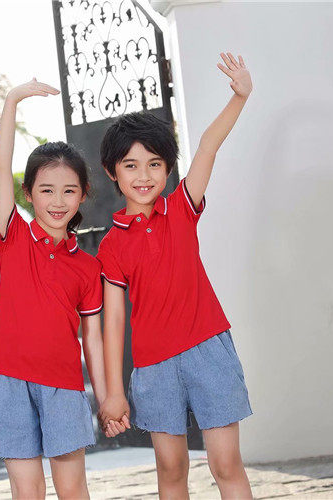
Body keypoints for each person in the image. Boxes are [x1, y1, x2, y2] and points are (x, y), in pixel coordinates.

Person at [96, 52, 255, 498]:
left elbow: (207, 146)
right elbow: (113, 322)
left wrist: (240, 97)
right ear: (112, 172)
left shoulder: (181, 208)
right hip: (153, 367)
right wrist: (113, 392)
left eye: (154, 164)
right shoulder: (111, 247)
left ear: (168, 168)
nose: (143, 175)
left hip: (208, 350)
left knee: (226, 463)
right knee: (171, 469)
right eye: (130, 165)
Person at [0, 78, 119, 499]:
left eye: (69, 190)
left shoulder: (88, 268)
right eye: (46, 190)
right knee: (28, 490)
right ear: (28, 194)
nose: (57, 201)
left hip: (63, 387)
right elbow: (0, 166)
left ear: (83, 195)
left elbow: (92, 338)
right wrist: (12, 100)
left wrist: (105, 398)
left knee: (73, 490)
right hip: (7, 380)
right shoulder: (12, 235)